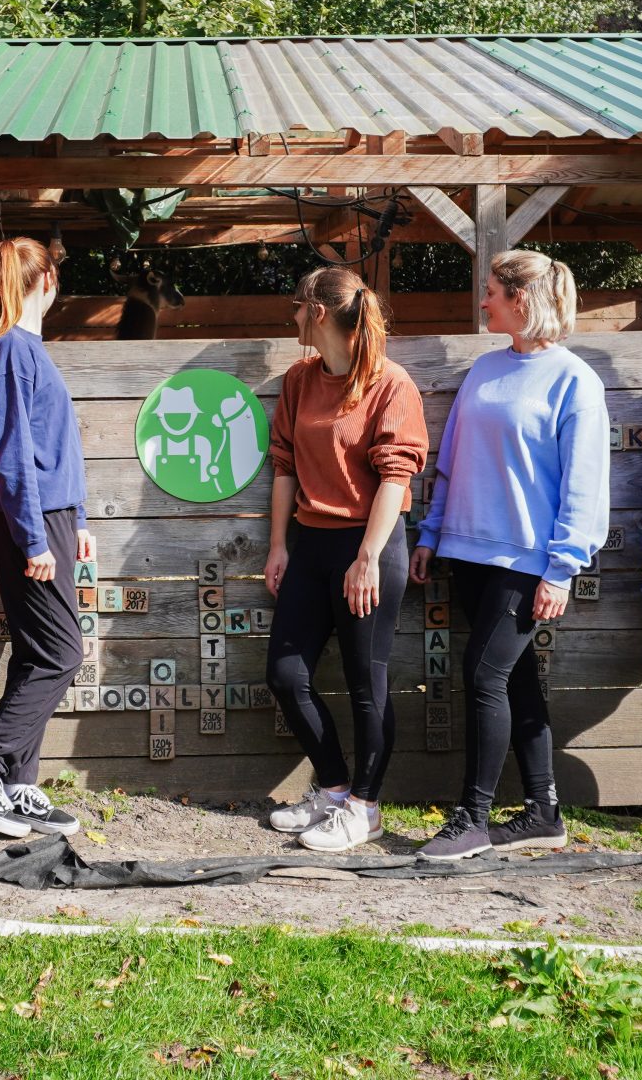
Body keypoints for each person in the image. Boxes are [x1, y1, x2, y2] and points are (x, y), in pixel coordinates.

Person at [412, 250, 609, 860]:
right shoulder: (484, 368)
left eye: (492, 291)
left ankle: (473, 816)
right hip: (467, 554)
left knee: (483, 676)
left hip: (527, 562)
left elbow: (586, 482)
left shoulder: (574, 379)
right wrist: (431, 534)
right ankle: (544, 812)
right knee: (516, 680)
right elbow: (452, 461)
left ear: (522, 299)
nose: (484, 300)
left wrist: (563, 567)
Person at [262, 266, 428, 853]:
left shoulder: (389, 384)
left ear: (321, 313)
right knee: (285, 673)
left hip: (370, 546)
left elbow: (396, 475)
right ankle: (332, 788)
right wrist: (280, 544)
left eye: (298, 306)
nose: (293, 315)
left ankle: (366, 806)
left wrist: (367, 558)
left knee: (367, 683)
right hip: (310, 544)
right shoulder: (300, 379)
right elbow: (283, 464)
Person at [0, 238, 92, 840]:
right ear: (46, 281)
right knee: (63, 652)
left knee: (36, 652)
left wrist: (75, 522)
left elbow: (54, 448)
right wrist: (35, 538)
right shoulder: (9, 351)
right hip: (30, 522)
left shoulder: (23, 350)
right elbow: (12, 459)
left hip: (48, 518)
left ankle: (16, 786)